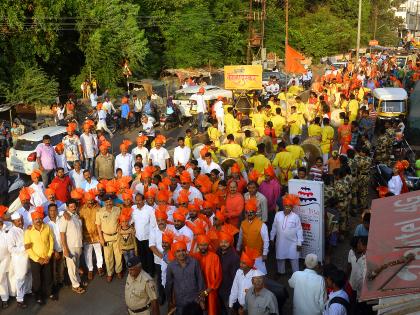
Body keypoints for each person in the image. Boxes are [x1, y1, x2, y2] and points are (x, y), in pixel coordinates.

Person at [166, 240, 206, 314]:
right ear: (174, 253)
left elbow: (200, 281)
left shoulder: (194, 262)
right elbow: (169, 285)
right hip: (180, 302)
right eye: (178, 251)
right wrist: (170, 301)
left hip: (195, 301)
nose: (181, 253)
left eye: (183, 250)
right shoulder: (171, 266)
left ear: (186, 251)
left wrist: (201, 299)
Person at [24, 207, 54, 305]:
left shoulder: (47, 227)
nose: (38, 221)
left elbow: (51, 241)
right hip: (35, 259)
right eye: (36, 219)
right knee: (37, 279)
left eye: (39, 219)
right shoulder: (28, 231)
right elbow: (28, 248)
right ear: (32, 220)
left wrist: (49, 255)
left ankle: (49, 293)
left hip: (46, 257)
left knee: (48, 276)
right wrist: (38, 259)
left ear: (42, 219)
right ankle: (38, 296)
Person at [271, 194, 303, 275]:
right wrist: (272, 238)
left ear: (292, 207)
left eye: (290, 206)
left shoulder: (295, 217)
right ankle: (281, 272)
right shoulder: (278, 214)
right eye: (286, 206)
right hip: (280, 242)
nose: (287, 208)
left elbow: (299, 230)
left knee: (294, 259)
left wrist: (299, 243)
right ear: (283, 206)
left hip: (293, 243)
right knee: (280, 259)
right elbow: (274, 227)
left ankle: (296, 275)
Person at [192, 234, 222, 315]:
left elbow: (218, 277)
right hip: (197, 290)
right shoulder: (194, 257)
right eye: (201, 245)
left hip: (211, 291)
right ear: (197, 245)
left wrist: (207, 291)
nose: (203, 247)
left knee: (211, 311)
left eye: (205, 245)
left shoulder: (214, 257)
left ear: (208, 245)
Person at [237, 198, 269, 274]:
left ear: (255, 213)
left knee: (260, 273)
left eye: (251, 212)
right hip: (246, 254)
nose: (249, 214)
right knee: (247, 272)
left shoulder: (262, 224)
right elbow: (240, 237)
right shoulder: (243, 223)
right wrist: (238, 248)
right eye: (247, 212)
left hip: (258, 254)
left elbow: (266, 240)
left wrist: (265, 253)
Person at [60, 199, 86, 294]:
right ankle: (75, 286)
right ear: (67, 208)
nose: (73, 208)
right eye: (70, 207)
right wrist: (65, 249)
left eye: (74, 206)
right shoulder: (64, 218)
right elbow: (62, 234)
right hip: (70, 246)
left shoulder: (77, 216)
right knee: (71, 267)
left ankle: (78, 281)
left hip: (78, 244)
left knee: (76, 265)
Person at [96, 195, 122, 282]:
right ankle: (110, 273)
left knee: (118, 255)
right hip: (106, 237)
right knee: (108, 257)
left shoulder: (117, 210)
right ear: (104, 203)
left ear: (112, 202)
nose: (108, 203)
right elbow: (98, 226)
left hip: (117, 236)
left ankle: (118, 271)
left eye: (110, 201)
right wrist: (101, 238)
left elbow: (121, 221)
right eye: (106, 202)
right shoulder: (100, 212)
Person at [7, 212, 30, 308]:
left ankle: (27, 292)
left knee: (28, 275)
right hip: (19, 259)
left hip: (28, 256)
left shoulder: (25, 228)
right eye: (18, 221)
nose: (21, 222)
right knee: (20, 278)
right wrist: (23, 247)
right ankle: (20, 299)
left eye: (21, 220)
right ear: (13, 222)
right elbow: (11, 248)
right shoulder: (12, 232)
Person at [131, 193, 156, 276]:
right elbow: (131, 221)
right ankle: (144, 272)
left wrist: (153, 237)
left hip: (148, 237)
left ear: (144, 200)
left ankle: (151, 272)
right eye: (136, 200)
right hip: (138, 237)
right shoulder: (133, 209)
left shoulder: (150, 209)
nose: (138, 202)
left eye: (140, 200)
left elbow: (153, 224)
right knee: (141, 255)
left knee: (149, 256)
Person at [229, 247, 260, 312]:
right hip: (240, 306)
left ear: (249, 265)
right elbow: (235, 288)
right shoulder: (239, 272)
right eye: (240, 262)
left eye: (244, 263)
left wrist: (245, 309)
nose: (240, 265)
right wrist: (231, 305)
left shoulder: (256, 275)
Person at [217, 229, 240, 314]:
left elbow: (235, 277)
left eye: (226, 242)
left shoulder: (234, 257)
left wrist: (233, 292)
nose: (223, 244)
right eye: (221, 242)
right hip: (219, 287)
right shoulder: (218, 251)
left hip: (228, 290)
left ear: (230, 243)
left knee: (229, 309)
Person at [43, 204, 65, 296]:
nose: (52, 212)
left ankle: (61, 281)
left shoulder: (61, 219)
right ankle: (54, 285)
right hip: (53, 249)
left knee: (61, 267)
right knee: (53, 268)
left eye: (54, 210)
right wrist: (54, 251)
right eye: (51, 210)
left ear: (57, 210)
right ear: (48, 211)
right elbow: (47, 239)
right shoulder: (46, 222)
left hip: (62, 247)